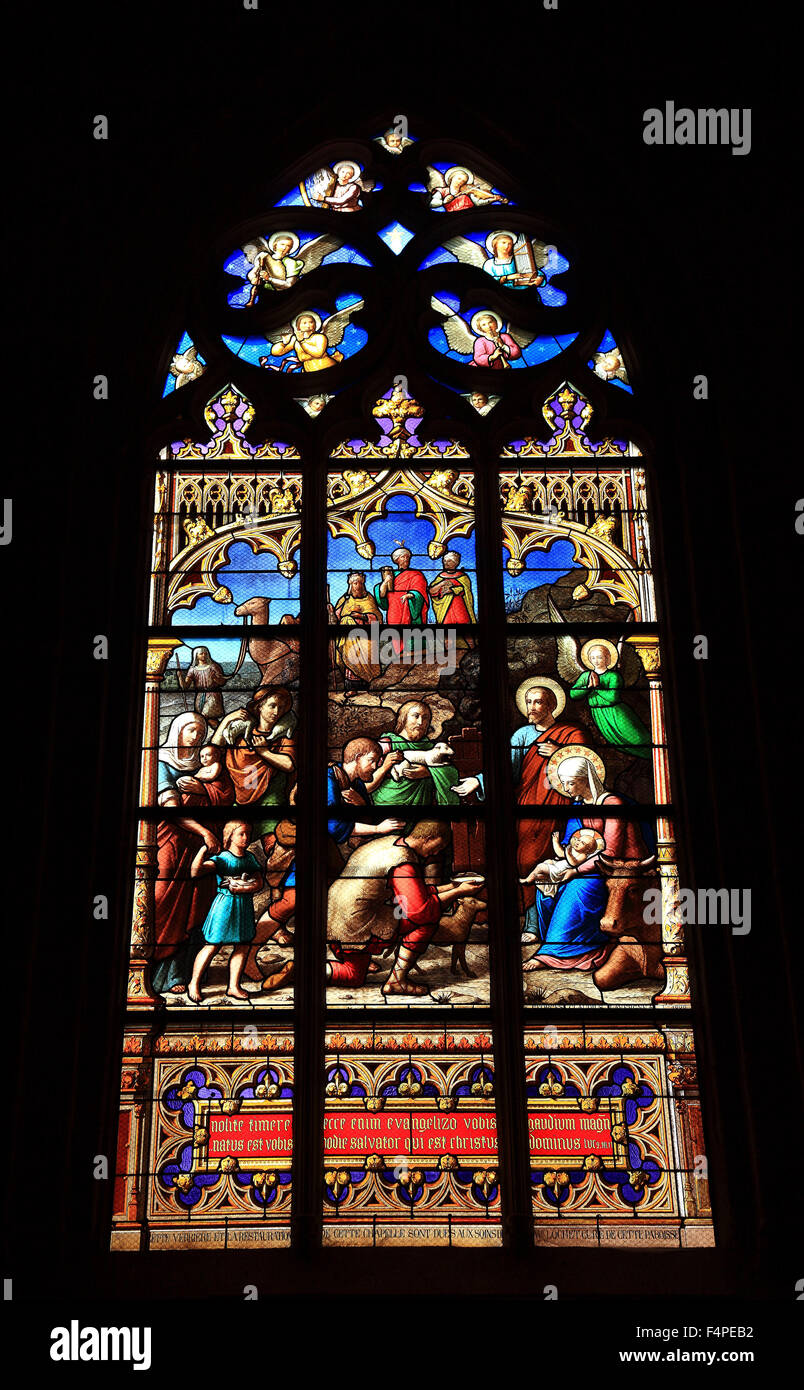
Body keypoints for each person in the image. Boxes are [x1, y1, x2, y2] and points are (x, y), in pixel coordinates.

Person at [454, 680, 586, 932]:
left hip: (563, 807)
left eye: (538, 702)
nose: (532, 707)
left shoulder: (572, 734)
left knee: (560, 863)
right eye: (529, 702)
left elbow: (589, 767)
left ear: (552, 705)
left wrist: (561, 753)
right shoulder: (522, 735)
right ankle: (532, 921)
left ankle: (547, 926)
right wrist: (478, 781)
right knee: (527, 861)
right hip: (527, 807)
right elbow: (507, 771)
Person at [522, 749, 655, 967]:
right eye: (563, 783)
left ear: (586, 779)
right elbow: (572, 845)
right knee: (546, 882)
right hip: (592, 865)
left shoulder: (613, 805)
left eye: (570, 783)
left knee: (579, 888)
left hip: (620, 868)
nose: (565, 789)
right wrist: (562, 862)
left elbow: (611, 853)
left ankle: (554, 953)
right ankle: (562, 944)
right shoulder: (578, 807)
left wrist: (575, 871)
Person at [152, 712, 220, 995]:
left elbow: (224, 796)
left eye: (200, 732)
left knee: (195, 906)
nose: (196, 737)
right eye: (191, 730)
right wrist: (204, 831)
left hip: (197, 849)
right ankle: (152, 971)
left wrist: (204, 789)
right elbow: (171, 809)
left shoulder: (204, 766)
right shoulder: (161, 765)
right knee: (164, 899)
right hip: (170, 844)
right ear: (178, 731)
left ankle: (181, 972)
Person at [187, 821, 263, 1002]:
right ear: (230, 836)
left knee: (243, 945)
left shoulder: (250, 858)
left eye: (248, 834)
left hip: (243, 905)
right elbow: (195, 872)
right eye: (241, 834)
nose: (246, 838)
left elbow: (259, 883)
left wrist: (243, 888)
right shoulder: (222, 859)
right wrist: (203, 850)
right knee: (213, 944)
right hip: (224, 906)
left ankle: (233, 986)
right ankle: (193, 983)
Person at [212, 687, 296, 849]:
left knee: (273, 843)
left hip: (270, 799)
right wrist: (228, 719)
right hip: (239, 798)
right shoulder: (242, 734)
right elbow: (214, 748)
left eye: (281, 707)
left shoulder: (285, 736)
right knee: (231, 839)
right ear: (259, 707)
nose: (276, 711)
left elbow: (289, 764)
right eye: (272, 706)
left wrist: (264, 752)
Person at [569, 640, 652, 758]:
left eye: (599, 657)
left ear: (607, 659)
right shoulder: (586, 676)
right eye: (593, 658)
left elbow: (612, 697)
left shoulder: (613, 676)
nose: (596, 661)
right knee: (618, 743)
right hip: (598, 714)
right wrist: (588, 687)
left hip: (616, 712)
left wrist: (597, 687)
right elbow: (573, 694)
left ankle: (655, 755)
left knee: (637, 739)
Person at [371, 700, 462, 808]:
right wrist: (386, 765)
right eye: (415, 716)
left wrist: (428, 772)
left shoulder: (431, 747)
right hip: (387, 805)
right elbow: (366, 780)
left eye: (425, 718)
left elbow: (450, 771)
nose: (420, 722)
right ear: (403, 719)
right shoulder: (387, 743)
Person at [520, 828, 606, 898]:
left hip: (560, 871)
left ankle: (527, 879)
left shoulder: (583, 856)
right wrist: (555, 842)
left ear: (588, 850)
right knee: (545, 867)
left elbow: (573, 863)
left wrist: (568, 853)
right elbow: (560, 853)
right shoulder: (572, 849)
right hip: (557, 866)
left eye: (582, 843)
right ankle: (535, 879)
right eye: (579, 840)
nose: (578, 843)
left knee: (541, 866)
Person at [267, 312, 344, 372]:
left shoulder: (320, 337)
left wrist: (302, 341)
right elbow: (277, 352)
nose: (309, 325)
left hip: (327, 368)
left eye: (311, 322)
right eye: (304, 323)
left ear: (315, 324)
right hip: (309, 373)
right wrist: (283, 342)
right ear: (298, 326)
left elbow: (318, 353)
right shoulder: (295, 340)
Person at [374, 546, 429, 626]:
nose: (406, 559)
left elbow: (420, 591)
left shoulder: (417, 574)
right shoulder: (392, 575)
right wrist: (385, 582)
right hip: (393, 608)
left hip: (408, 607)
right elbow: (381, 595)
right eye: (403, 557)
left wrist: (411, 595)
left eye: (408, 557)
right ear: (397, 560)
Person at [247, 232, 304, 304]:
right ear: (275, 245)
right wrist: (253, 279)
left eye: (288, 246)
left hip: (285, 296)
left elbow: (289, 284)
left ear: (290, 249)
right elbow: (253, 272)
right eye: (282, 244)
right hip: (263, 294)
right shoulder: (264, 256)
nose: (284, 248)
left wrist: (269, 279)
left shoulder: (292, 263)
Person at [175, 647, 225, 723]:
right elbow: (185, 686)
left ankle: (221, 732)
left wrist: (215, 678)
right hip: (200, 696)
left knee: (205, 716)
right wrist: (180, 677)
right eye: (201, 653)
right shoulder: (193, 669)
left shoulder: (213, 667)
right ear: (196, 655)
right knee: (205, 719)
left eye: (206, 653)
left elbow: (222, 682)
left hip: (213, 695)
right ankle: (221, 732)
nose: (204, 655)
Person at [428, 550, 476, 623]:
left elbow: (466, 591)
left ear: (455, 563)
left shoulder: (463, 577)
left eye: (449, 561)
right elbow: (431, 591)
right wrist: (442, 583)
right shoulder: (440, 577)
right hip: (444, 609)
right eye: (444, 561)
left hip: (459, 608)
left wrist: (452, 590)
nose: (446, 563)